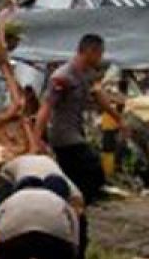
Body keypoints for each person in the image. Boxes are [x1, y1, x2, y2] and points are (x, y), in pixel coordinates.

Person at [33, 34, 122, 205]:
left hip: (76, 132)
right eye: (100, 53)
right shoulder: (62, 76)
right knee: (92, 167)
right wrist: (36, 140)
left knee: (75, 175)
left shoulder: (86, 73)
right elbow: (46, 107)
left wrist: (118, 118)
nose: (101, 58)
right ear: (90, 51)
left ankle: (78, 205)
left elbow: (98, 96)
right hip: (63, 135)